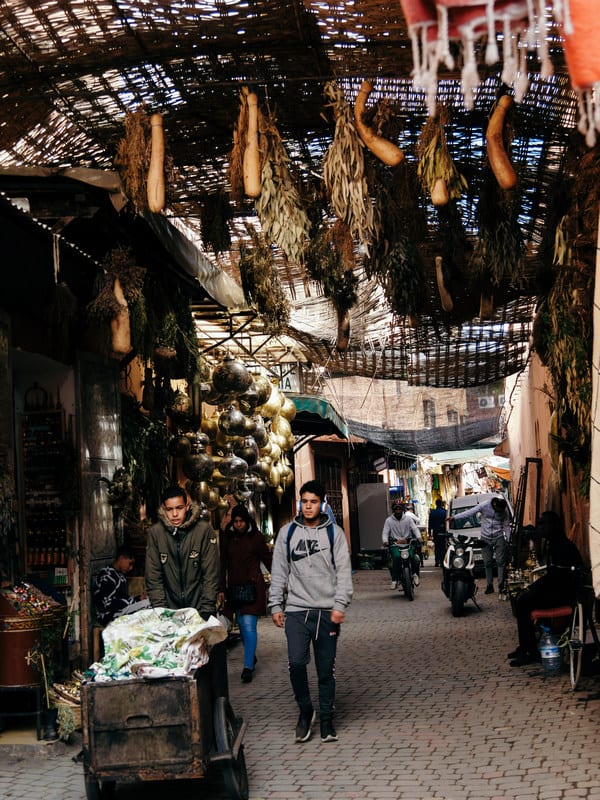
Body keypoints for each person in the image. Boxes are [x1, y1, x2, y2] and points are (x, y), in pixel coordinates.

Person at [269, 480, 353, 745]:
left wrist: (340, 605)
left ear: (322, 503)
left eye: (313, 501)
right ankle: (306, 711)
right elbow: (279, 570)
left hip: (327, 611)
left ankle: (327, 719)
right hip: (296, 610)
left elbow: (343, 572)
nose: (308, 506)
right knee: (296, 664)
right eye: (304, 501)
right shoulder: (287, 533)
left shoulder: (335, 534)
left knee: (325, 670)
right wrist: (275, 604)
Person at [145, 485, 225, 694]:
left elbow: (211, 573)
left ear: (187, 506)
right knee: (174, 667)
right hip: (171, 614)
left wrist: (205, 612)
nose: (174, 514)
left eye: (179, 508)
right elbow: (153, 578)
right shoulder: (156, 534)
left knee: (210, 664)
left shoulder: (203, 530)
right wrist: (163, 613)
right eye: (169, 509)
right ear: (163, 508)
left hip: (200, 611)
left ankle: (218, 711)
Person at [508, 511, 583, 667]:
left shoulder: (561, 547)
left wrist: (533, 590)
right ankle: (525, 647)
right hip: (557, 590)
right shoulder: (555, 544)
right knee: (521, 599)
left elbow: (557, 579)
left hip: (563, 595)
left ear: (552, 527)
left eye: (543, 524)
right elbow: (551, 576)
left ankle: (529, 651)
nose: (540, 528)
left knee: (523, 603)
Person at [218, 504, 272, 683]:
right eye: (236, 521)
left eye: (241, 521)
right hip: (234, 588)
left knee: (249, 625)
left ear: (247, 520)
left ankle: (248, 666)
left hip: (253, 587)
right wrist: (221, 588)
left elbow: (267, 558)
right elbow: (222, 564)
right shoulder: (228, 537)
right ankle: (251, 654)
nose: (239, 524)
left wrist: (278, 582)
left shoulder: (256, 537)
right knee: (241, 624)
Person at [449, 494, 511, 595]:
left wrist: (508, 539)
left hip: (499, 537)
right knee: (487, 563)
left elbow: (506, 526)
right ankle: (489, 585)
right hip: (485, 538)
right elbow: (470, 512)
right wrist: (455, 517)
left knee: (501, 562)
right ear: (494, 505)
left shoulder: (504, 510)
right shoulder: (485, 505)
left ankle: (501, 585)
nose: (499, 512)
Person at [92, 545, 140, 624]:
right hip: (107, 616)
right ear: (121, 558)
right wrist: (133, 602)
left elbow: (121, 598)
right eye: (130, 564)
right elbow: (108, 604)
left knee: (147, 604)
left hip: (118, 613)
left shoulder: (120, 576)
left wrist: (138, 599)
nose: (131, 568)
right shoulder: (107, 575)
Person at [382, 501, 422, 590]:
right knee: (396, 557)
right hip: (395, 544)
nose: (398, 510)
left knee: (413, 557)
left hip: (408, 543)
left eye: (400, 508)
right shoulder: (388, 520)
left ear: (403, 509)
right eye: (396, 509)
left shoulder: (408, 519)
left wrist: (419, 537)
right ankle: (395, 580)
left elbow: (415, 529)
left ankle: (415, 574)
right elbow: (385, 532)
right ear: (393, 510)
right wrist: (385, 541)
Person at [428, 499, 448, 567]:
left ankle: (437, 561)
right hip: (443, 532)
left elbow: (430, 524)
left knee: (437, 547)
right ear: (441, 504)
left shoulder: (432, 513)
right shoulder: (445, 512)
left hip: (435, 533)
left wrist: (430, 533)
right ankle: (442, 561)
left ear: (436, 504)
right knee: (443, 547)